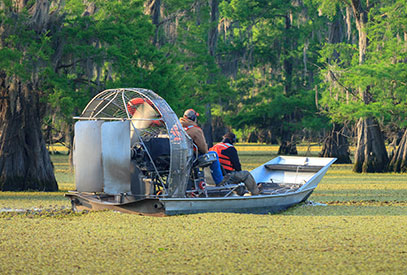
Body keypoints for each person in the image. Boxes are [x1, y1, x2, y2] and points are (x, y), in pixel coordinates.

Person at [180, 109, 223, 185]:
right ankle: (220, 181)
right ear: (194, 118)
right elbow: (203, 149)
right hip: (192, 158)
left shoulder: (177, 127)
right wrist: (206, 151)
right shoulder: (195, 130)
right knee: (214, 155)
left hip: (179, 157)